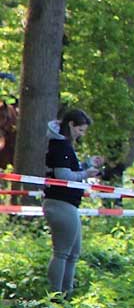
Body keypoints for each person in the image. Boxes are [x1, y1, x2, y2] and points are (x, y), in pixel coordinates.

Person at [42, 107, 96, 297]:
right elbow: (63, 175)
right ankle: (56, 295)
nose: (81, 135)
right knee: (62, 253)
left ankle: (67, 293)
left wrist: (87, 165)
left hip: (68, 203)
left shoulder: (64, 146)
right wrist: (85, 174)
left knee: (73, 253)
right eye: (80, 130)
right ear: (71, 125)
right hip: (60, 202)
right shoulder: (61, 146)